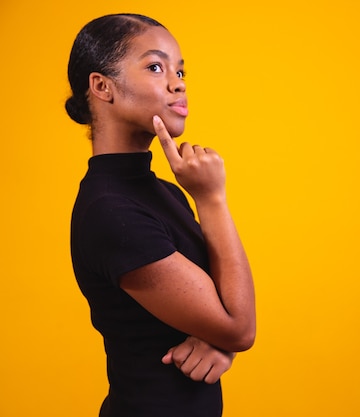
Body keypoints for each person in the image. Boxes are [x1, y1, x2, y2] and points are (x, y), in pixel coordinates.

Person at [66, 13, 256, 417]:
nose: (178, 81)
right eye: (156, 67)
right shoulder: (111, 212)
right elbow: (240, 326)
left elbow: (224, 310)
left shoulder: (165, 191)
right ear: (102, 87)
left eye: (180, 69)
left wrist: (219, 340)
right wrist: (213, 200)